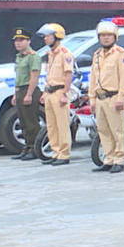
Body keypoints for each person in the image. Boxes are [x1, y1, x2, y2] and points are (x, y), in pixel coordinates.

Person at [90, 20, 124, 173]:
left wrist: (121, 98)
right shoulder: (97, 55)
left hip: (115, 97)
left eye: (109, 35)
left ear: (115, 37)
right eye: (102, 35)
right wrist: (92, 98)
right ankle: (109, 158)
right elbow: (93, 78)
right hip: (100, 98)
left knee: (117, 130)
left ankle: (119, 159)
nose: (106, 38)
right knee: (103, 130)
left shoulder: (121, 54)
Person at [36, 23, 74, 166]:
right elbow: (49, 75)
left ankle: (64, 154)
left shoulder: (65, 54)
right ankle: (56, 151)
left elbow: (68, 75)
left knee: (61, 125)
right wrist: (45, 92)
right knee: (51, 125)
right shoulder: (50, 54)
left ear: (57, 37)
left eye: (48, 36)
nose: (45, 39)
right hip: (50, 92)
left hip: (59, 92)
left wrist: (65, 93)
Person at [9, 28, 41, 161]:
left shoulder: (33, 56)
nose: (18, 43)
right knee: (23, 122)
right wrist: (15, 94)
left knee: (31, 122)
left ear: (28, 41)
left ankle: (35, 148)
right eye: (16, 41)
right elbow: (18, 78)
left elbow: (34, 77)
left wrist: (29, 94)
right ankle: (27, 147)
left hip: (30, 90)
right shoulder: (19, 57)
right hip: (20, 90)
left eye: (21, 40)